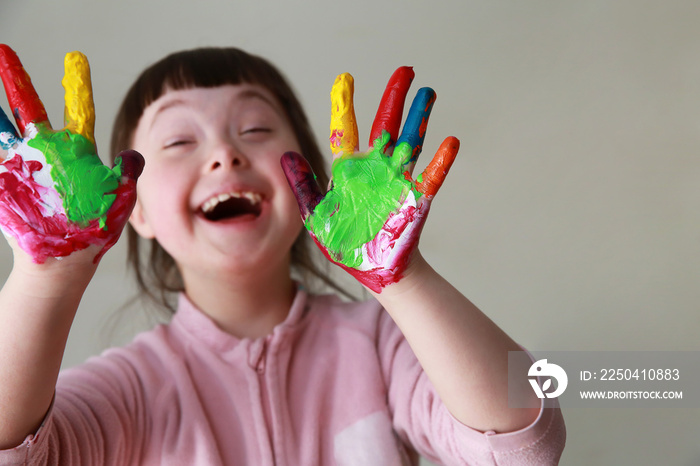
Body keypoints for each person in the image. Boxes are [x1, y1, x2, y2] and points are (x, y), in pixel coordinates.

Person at [0, 45, 565, 465]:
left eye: (256, 128)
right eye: (179, 141)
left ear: (313, 183)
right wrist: (45, 276)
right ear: (136, 210)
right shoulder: (131, 390)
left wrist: (403, 281)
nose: (225, 153)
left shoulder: (379, 346)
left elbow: (525, 442)